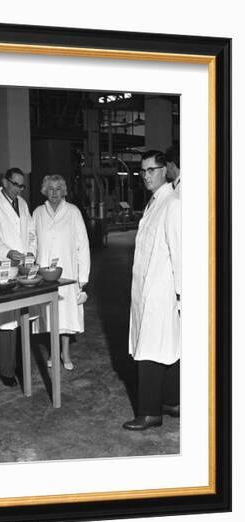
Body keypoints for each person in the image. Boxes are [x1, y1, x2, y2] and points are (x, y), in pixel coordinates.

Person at [123, 150, 181, 431]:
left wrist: (182, 295)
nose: (146, 176)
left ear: (164, 171)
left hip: (162, 291)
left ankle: (149, 413)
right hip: (148, 289)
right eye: (142, 171)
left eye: (151, 170)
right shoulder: (155, 202)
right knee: (166, 347)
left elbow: (180, 253)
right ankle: (171, 401)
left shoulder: (173, 204)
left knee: (151, 349)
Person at [0, 167, 37, 386]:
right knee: (6, 322)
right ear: (5, 182)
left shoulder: (23, 204)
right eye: (15, 184)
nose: (18, 189)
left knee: (23, 316)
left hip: (23, 268)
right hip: (3, 267)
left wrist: (31, 251)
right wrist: (7, 252)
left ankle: (22, 365)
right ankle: (6, 371)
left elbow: (31, 232)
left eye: (21, 185)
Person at [32, 174, 90, 370]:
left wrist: (83, 278)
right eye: (50, 188)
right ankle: (52, 351)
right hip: (44, 272)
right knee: (49, 312)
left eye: (58, 188)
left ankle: (65, 352)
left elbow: (83, 244)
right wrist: (31, 267)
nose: (54, 193)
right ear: (45, 191)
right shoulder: (38, 212)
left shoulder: (73, 212)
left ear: (64, 191)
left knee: (66, 313)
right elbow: (32, 242)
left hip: (68, 271)